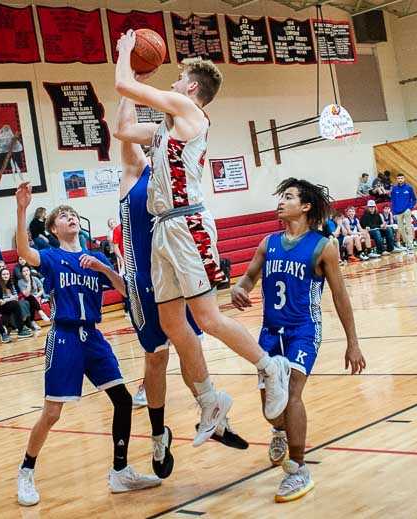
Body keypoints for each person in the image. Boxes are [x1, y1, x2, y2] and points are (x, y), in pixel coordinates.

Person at [114, 33, 292, 439]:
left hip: (186, 223)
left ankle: (269, 366)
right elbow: (123, 127)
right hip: (162, 229)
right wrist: (135, 76)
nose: (173, 83)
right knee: (174, 325)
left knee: (207, 318)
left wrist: (126, 56)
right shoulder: (163, 129)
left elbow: (126, 85)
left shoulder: (187, 110)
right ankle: (210, 400)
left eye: (178, 78)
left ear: (192, 87)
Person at [112, 95, 248, 476]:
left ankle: (213, 414)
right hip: (144, 278)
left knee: (191, 345)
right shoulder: (133, 172)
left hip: (173, 262)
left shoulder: (169, 179)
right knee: (156, 357)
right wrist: (130, 88)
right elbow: (124, 134)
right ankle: (159, 437)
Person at [13, 182, 160, 506]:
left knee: (122, 400)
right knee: (52, 412)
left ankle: (120, 472)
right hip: (64, 336)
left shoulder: (94, 256)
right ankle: (26, 469)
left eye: (72, 214)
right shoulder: (51, 257)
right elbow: (24, 252)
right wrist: (22, 208)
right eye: (62, 216)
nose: (69, 217)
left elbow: (124, 291)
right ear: (53, 228)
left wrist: (104, 267)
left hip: (93, 336)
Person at [231, 177, 366, 503]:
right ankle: (279, 430)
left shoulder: (323, 247)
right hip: (269, 332)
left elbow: (340, 296)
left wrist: (353, 342)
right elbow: (250, 276)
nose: (280, 202)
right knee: (270, 408)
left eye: (288, 197)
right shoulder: (269, 243)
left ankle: (299, 467)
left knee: (291, 394)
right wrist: (240, 288)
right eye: (281, 197)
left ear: (305, 206)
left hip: (303, 331)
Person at [0, 268, 35, 339]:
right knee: (16, 304)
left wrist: (13, 297)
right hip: (1, 306)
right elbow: (0, 300)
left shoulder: (11, 284)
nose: (6, 276)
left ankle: (25, 324)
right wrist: (10, 298)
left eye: (7, 274)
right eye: (4, 274)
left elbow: (16, 295)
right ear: (0, 276)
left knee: (25, 302)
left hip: (11, 303)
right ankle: (21, 328)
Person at [390, 173, 417, 254]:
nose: (400, 179)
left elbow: (414, 199)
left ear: (404, 179)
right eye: (398, 178)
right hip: (398, 212)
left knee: (409, 228)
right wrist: (394, 212)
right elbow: (393, 201)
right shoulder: (394, 189)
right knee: (401, 229)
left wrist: (410, 208)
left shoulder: (409, 188)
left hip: (406, 210)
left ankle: (410, 246)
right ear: (397, 180)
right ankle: (408, 244)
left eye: (401, 178)